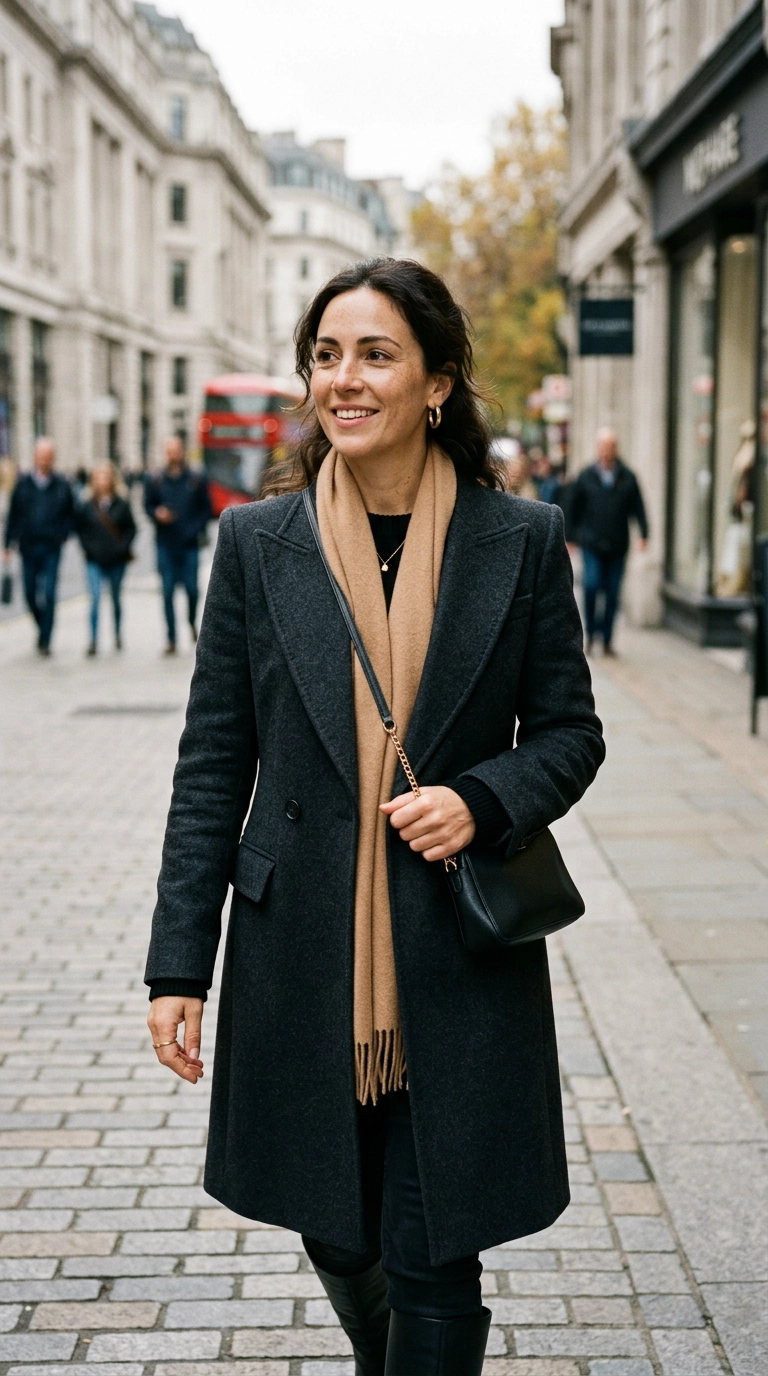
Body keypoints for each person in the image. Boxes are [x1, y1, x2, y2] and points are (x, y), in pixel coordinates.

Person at [144, 258, 605, 1376]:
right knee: (336, 1227)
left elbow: (570, 732)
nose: (343, 378)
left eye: (376, 353)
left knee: (435, 1244)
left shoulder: (522, 538)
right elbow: (213, 762)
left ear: (438, 380)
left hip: (453, 953)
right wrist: (177, 967)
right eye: (327, 354)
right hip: (301, 946)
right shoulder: (258, 544)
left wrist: (482, 797)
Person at [569, 427, 648, 656]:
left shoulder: (627, 476)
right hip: (592, 544)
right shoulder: (586, 476)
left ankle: (607, 639)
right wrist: (571, 537)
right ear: (597, 449)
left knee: (613, 593)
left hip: (618, 545)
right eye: (603, 446)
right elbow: (573, 507)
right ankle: (591, 634)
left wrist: (644, 534)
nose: (607, 451)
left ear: (616, 449)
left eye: (611, 446)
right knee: (592, 586)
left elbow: (638, 507)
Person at [2, 437, 74, 655]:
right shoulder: (22, 484)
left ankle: (45, 639)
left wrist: (62, 534)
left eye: (48, 456)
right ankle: (42, 625)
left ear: (53, 458)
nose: (44, 460)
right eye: (40, 456)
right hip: (28, 546)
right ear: (35, 457)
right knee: (29, 593)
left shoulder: (62, 484)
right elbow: (13, 515)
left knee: (50, 593)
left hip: (52, 546)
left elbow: (71, 515)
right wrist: (7, 545)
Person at [145, 437, 211, 654]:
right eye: (169, 451)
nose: (173, 454)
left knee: (192, 590)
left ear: (183, 451)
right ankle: (171, 638)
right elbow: (148, 505)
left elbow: (206, 510)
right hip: (166, 544)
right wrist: (157, 514)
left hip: (190, 544)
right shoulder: (155, 480)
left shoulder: (196, 479)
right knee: (167, 592)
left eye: (176, 450)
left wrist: (194, 529)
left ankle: (191, 621)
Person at [75, 461, 137, 655]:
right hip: (94, 560)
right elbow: (81, 530)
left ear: (112, 480)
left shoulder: (121, 503)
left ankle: (117, 633)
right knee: (94, 599)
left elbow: (131, 528)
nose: (102, 481)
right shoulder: (87, 505)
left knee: (116, 599)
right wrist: (88, 549)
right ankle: (93, 640)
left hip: (116, 560)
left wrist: (122, 547)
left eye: (106, 477)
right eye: (98, 477)